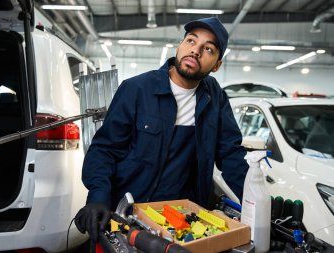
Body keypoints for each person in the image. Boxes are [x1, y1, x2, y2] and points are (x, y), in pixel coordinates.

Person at [75, 17, 249, 245]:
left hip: (181, 222)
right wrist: (98, 197)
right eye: (191, 41)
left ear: (216, 65)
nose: (195, 51)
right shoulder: (136, 89)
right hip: (128, 216)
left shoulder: (214, 98)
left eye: (208, 49)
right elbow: (104, 149)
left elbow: (231, 155)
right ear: (179, 46)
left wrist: (258, 200)